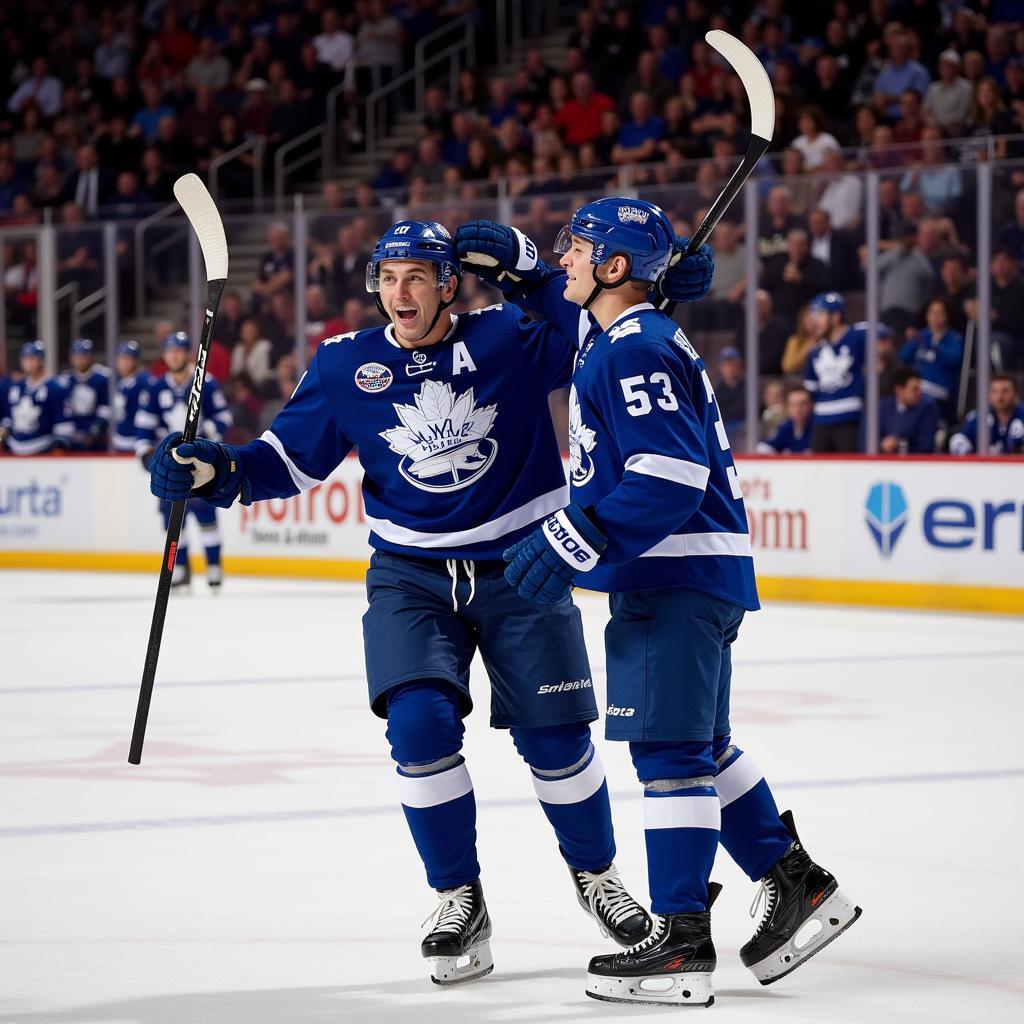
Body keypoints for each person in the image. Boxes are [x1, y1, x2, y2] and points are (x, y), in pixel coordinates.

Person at [141, 219, 719, 989]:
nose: (399, 292)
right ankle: (458, 898)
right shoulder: (347, 362)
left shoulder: (515, 334)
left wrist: (653, 284)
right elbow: (287, 460)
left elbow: (603, 324)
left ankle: (597, 876)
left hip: (523, 567)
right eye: (387, 276)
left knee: (555, 743)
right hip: (410, 578)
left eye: (417, 276)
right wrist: (217, 472)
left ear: (451, 282)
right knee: (418, 726)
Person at [455, 202, 860, 1007]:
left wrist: (569, 541)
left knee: (670, 754)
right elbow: (560, 303)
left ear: (613, 270)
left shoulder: (630, 349)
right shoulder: (620, 337)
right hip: (690, 574)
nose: (564, 258)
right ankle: (798, 882)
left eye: (580, 248)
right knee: (703, 745)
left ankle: (678, 938)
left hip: (673, 575)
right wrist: (528, 259)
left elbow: (667, 478)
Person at [136, 331, 232, 591]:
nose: (174, 355)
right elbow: (144, 425)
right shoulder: (156, 387)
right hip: (171, 463)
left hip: (200, 461)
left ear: (187, 353)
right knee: (171, 515)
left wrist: (210, 436)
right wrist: (144, 451)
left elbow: (223, 417)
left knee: (205, 512)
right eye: (169, 351)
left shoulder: (206, 384)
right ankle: (181, 569)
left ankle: (213, 566)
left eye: (178, 350)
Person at [804, 292, 865, 453]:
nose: (815, 320)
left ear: (836, 317)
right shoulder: (815, 350)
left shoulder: (857, 337)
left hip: (849, 418)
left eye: (820, 314)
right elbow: (811, 387)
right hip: (821, 420)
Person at [0, 341, 74, 454]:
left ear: (41, 360)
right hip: (15, 450)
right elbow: (8, 421)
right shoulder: (16, 387)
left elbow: (63, 426)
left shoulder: (55, 387)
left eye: (32, 358)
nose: (28, 362)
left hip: (42, 450)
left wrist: (58, 448)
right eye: (25, 358)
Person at [899, 298, 964, 420]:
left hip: (940, 392)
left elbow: (954, 359)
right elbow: (904, 357)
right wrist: (912, 341)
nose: (935, 316)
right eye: (931, 312)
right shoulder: (921, 335)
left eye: (939, 313)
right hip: (917, 388)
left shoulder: (953, 337)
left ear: (947, 316)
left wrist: (934, 347)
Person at [950, 374, 1024, 455]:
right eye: (995, 392)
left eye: (1005, 391)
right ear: (989, 395)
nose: (1000, 397)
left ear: (1016, 394)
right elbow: (960, 441)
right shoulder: (979, 417)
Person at [61, 337, 113, 451]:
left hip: (97, 439)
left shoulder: (104, 377)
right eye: (76, 355)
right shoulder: (66, 379)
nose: (80, 359)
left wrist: (95, 431)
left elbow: (106, 409)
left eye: (83, 355)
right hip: (71, 437)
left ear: (91, 356)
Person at [879, 368, 939, 454]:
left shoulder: (927, 408)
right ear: (899, 390)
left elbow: (926, 446)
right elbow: (865, 441)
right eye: (915, 389)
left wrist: (898, 444)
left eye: (920, 389)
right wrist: (881, 445)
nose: (919, 393)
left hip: (914, 463)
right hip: (882, 463)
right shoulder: (883, 407)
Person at [112, 340, 150, 454]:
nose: (123, 362)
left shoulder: (143, 382)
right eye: (121, 358)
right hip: (122, 440)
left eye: (127, 359)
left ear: (137, 360)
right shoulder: (123, 381)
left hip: (135, 443)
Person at [756, 386, 814, 454]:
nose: (798, 409)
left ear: (811, 405)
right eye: (793, 404)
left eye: (802, 404)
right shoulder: (785, 426)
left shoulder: (819, 428)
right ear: (787, 407)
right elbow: (763, 447)